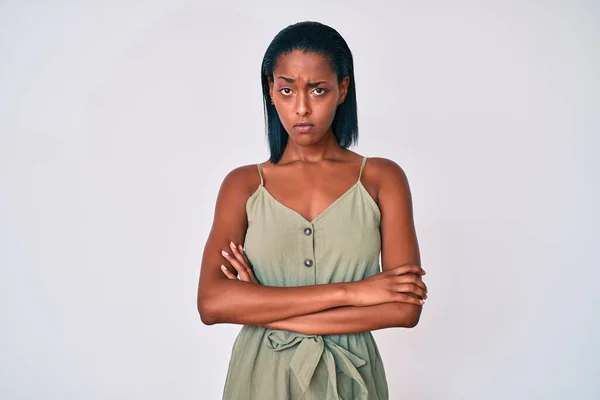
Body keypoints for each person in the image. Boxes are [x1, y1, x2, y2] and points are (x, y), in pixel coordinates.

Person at [196, 20, 428, 400]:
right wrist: (355, 292)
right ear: (271, 91)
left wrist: (259, 303)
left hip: (353, 380)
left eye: (318, 90)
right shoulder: (243, 185)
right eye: (287, 90)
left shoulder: (382, 178)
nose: (301, 108)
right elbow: (212, 303)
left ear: (343, 89)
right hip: (261, 378)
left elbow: (404, 309)